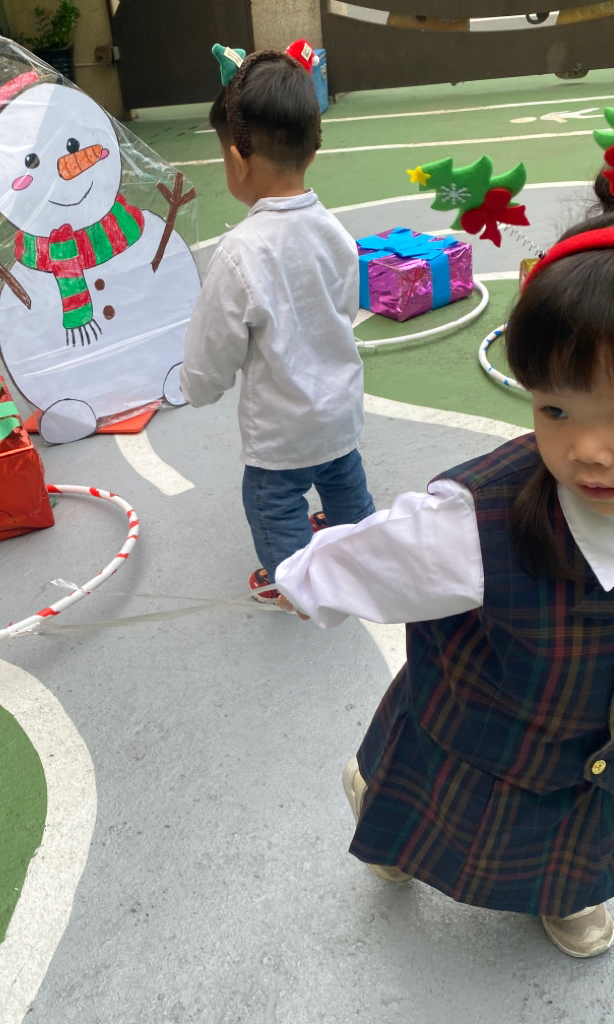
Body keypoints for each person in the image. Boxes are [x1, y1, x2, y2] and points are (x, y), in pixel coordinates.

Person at [276, 214, 614, 958]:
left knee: (582, 829)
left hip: (594, 757)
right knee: (426, 808)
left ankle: (572, 890)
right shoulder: (476, 519)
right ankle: (382, 811)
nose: (590, 449)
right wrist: (307, 579)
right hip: (484, 732)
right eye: (556, 409)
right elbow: (384, 553)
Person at [179, 47, 374, 606]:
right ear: (312, 148)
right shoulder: (335, 232)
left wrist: (197, 387)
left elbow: (214, 345)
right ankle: (362, 552)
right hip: (338, 409)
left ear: (237, 160)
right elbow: (344, 308)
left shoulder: (240, 251)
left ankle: (294, 586)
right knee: (343, 480)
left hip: (281, 430)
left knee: (272, 502)